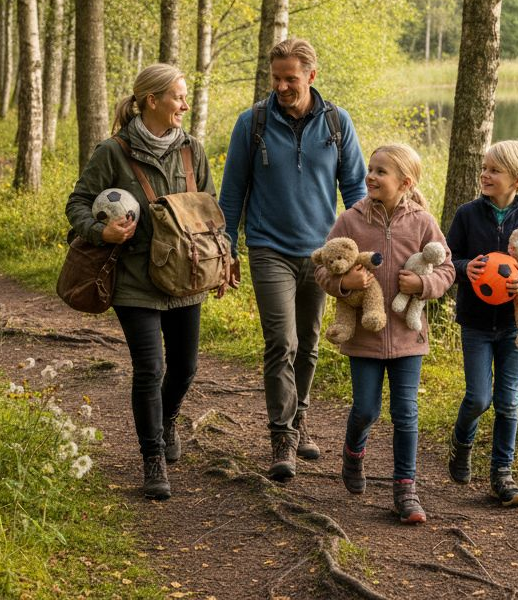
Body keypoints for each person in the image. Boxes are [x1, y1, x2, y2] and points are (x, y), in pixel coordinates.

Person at [66, 63, 220, 501]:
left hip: (186, 278)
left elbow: (209, 210)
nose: (184, 105)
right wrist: (101, 232)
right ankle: (152, 458)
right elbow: (77, 203)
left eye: (185, 96)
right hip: (134, 280)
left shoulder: (193, 150)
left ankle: (167, 420)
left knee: (185, 368)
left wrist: (221, 260)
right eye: (177, 96)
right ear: (152, 100)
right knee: (149, 369)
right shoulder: (112, 152)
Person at [220, 37, 367, 481]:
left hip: (323, 256)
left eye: (291, 78)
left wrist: (358, 252)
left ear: (311, 76)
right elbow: (232, 195)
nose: (283, 86)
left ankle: (300, 419)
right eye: (276, 78)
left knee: (310, 342)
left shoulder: (338, 124)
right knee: (281, 343)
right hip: (269, 250)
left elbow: (357, 190)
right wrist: (227, 247)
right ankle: (281, 435)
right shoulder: (253, 123)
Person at [314, 144, 454, 524]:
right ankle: (353, 452)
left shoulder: (423, 222)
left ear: (405, 182)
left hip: (409, 337)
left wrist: (422, 285)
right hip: (364, 336)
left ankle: (405, 489)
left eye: (381, 172)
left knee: (405, 413)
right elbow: (323, 270)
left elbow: (447, 269)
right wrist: (344, 282)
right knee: (366, 409)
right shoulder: (351, 220)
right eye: (370, 169)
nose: (370, 176)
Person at [445, 140, 518, 506]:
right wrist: (468, 268)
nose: (485, 174)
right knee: (479, 398)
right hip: (476, 323)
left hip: (516, 327)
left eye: (494, 170)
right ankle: (461, 443)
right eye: (484, 167)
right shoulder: (467, 215)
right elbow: (449, 262)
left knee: (508, 401)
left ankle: (502, 475)